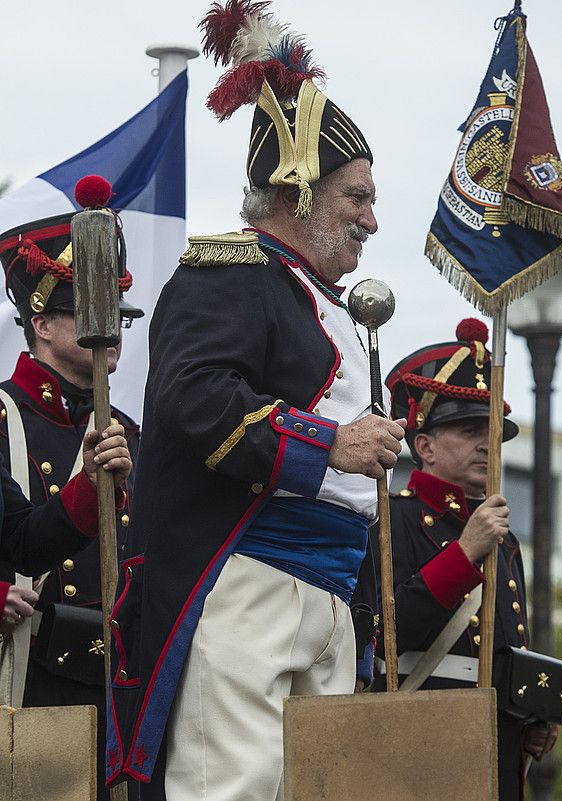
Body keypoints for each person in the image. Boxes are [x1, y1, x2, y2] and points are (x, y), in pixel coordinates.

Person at [106, 5, 404, 798]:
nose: (372, 219)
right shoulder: (228, 272)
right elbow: (193, 396)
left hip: (332, 591)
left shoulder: (325, 299)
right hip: (247, 576)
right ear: (296, 185)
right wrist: (328, 444)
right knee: (228, 788)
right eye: (357, 196)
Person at [0, 174, 143, 800]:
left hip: (122, 681)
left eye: (118, 315)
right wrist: (89, 488)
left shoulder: (132, 432)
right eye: (92, 312)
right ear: (43, 324)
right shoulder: (4, 418)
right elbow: (24, 543)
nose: (110, 329)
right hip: (30, 676)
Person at [378, 318, 559, 801]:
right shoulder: (392, 520)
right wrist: (464, 554)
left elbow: (506, 649)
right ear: (425, 445)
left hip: (494, 738)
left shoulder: (505, 539)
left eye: (493, 431)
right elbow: (383, 637)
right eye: (468, 429)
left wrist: (529, 716)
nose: (487, 443)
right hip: (418, 737)